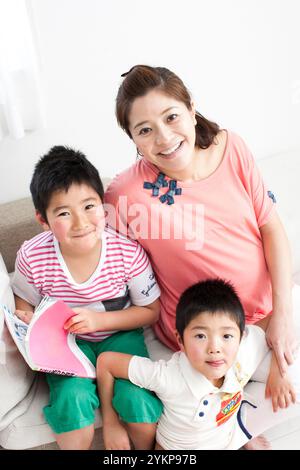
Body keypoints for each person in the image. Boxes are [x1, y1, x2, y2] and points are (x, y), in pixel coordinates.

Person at [104, 64, 300, 449]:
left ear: (192, 109)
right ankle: (231, 430)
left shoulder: (233, 148)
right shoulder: (125, 194)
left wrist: (283, 316)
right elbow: (110, 267)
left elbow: (272, 228)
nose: (164, 137)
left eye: (171, 117)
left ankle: (238, 426)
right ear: (134, 140)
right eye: (145, 130)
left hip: (265, 314)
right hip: (201, 337)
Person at [11, 146, 163, 450]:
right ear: (43, 220)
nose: (80, 223)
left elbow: (150, 311)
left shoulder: (126, 252)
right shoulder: (32, 255)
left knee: (136, 398)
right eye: (64, 213)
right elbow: (23, 301)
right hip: (65, 345)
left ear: (103, 205)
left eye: (89, 206)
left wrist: (99, 320)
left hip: (119, 335)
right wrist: (25, 318)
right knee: (71, 398)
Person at [97, 279, 299, 450]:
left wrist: (277, 370)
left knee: (291, 388)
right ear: (180, 340)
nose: (215, 348)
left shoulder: (244, 349)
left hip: (224, 439)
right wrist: (111, 423)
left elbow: (273, 321)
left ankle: (245, 435)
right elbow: (106, 361)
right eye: (200, 336)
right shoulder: (168, 376)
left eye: (227, 335)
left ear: (240, 335)